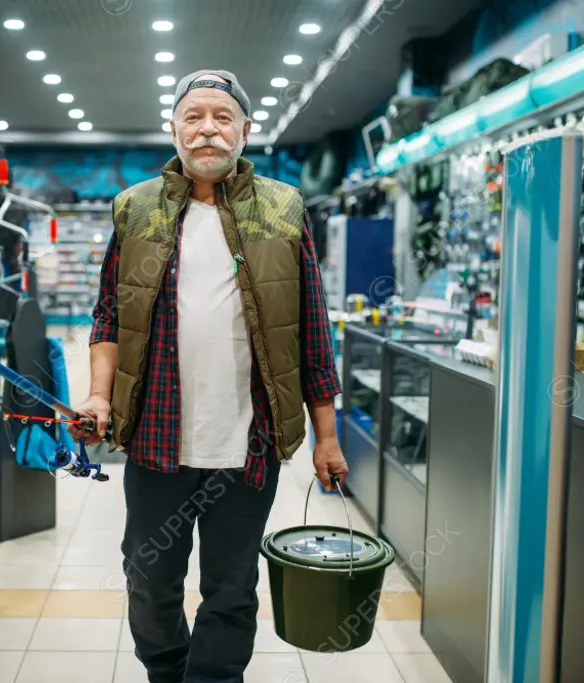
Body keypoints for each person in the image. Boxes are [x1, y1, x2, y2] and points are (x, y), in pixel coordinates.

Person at [69, 69, 347, 683]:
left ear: (246, 129)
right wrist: (97, 393)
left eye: (223, 117)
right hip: (156, 439)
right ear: (174, 129)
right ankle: (167, 674)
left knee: (232, 588)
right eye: (193, 116)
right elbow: (109, 315)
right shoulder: (135, 209)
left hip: (248, 445)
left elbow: (312, 331)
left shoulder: (282, 210)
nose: (207, 129)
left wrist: (326, 437)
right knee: (148, 581)